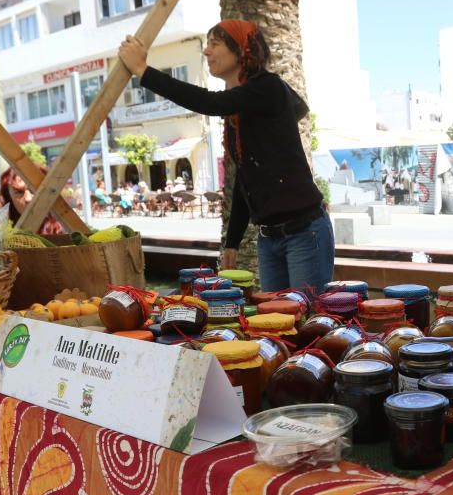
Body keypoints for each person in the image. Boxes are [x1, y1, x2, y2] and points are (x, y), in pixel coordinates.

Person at [118, 19, 333, 294]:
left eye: (215, 44)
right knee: (280, 323)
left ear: (242, 50)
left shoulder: (267, 87)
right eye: (207, 44)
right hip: (269, 238)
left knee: (307, 320)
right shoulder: (240, 110)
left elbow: (209, 102)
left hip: (305, 232)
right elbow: (246, 177)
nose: (206, 51)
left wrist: (143, 71)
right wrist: (233, 242)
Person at [0, 168, 63, 235]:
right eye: (19, 192)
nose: (28, 199)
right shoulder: (2, 236)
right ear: (9, 197)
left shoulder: (65, 228)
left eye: (35, 190)